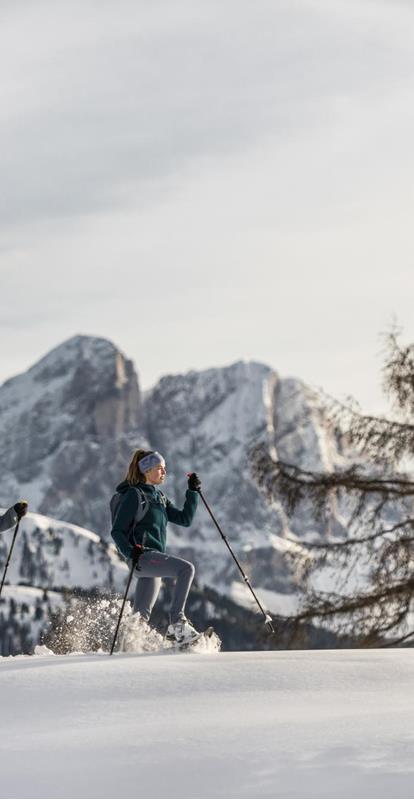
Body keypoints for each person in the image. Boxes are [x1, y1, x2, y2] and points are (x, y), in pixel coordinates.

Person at [111, 449, 201, 644]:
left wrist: (192, 492)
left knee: (139, 619)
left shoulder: (159, 497)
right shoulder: (134, 495)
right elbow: (116, 531)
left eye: (164, 468)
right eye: (159, 468)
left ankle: (129, 646)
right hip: (142, 557)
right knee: (186, 569)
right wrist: (130, 551)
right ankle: (178, 624)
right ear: (146, 470)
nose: (164, 472)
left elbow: (184, 519)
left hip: (153, 559)